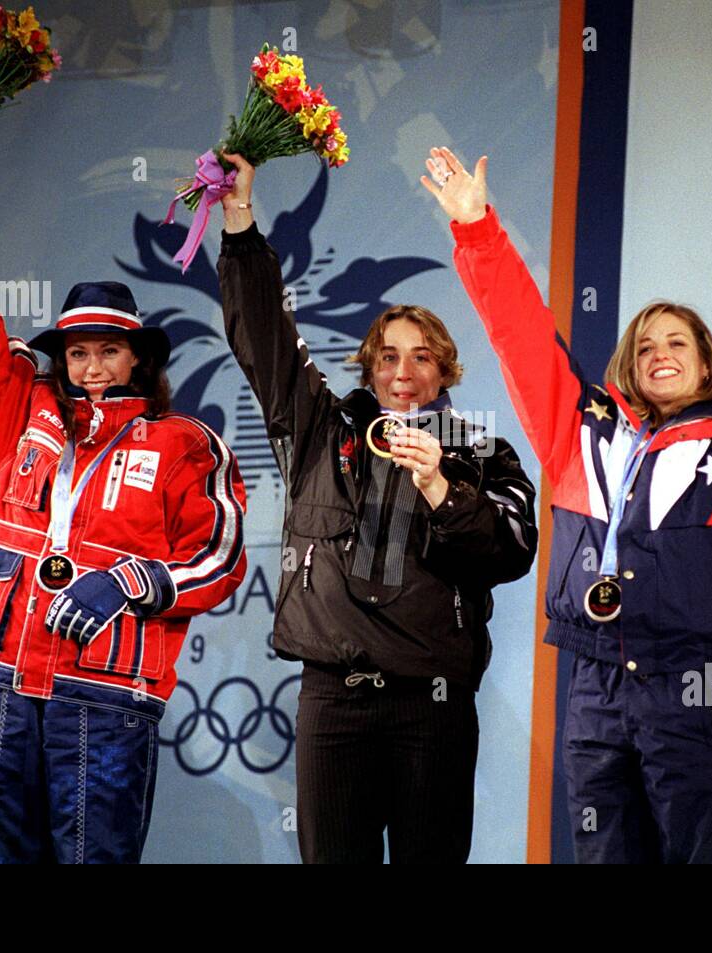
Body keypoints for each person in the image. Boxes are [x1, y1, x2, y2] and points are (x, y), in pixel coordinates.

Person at [420, 145, 712, 863]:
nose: (658, 352)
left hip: (692, 685)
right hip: (593, 685)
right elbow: (520, 338)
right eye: (644, 345)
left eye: (677, 341)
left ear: (707, 361)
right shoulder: (581, 430)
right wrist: (478, 230)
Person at [0, 117, 247, 863]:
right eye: (79, 351)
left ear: (137, 359)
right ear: (61, 357)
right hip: (7, 689)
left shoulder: (184, 442)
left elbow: (220, 561)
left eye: (109, 351)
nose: (93, 366)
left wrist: (128, 582)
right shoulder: (16, 412)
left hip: (104, 695)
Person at [213, 153, 538, 863]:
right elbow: (265, 338)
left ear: (447, 371)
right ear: (368, 366)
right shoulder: (320, 433)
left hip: (434, 702)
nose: (403, 370)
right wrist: (239, 224)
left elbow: (512, 553)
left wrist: (442, 488)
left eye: (423, 356)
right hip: (332, 698)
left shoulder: (484, 455)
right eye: (388, 355)